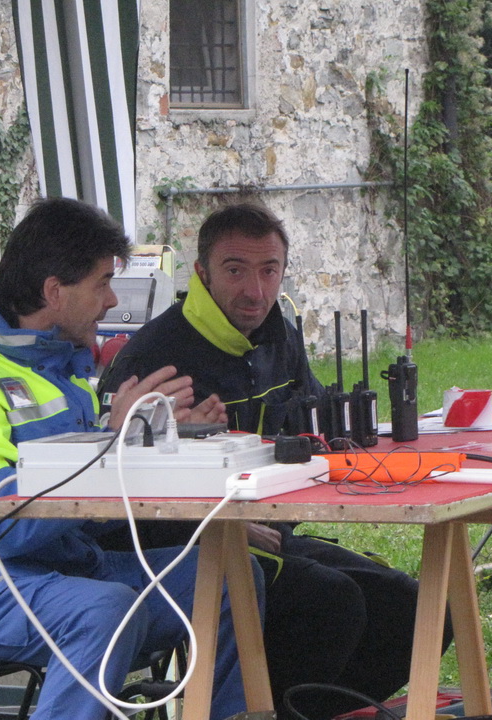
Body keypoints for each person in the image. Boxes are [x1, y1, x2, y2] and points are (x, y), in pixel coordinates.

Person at [0, 197, 265, 720]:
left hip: (71, 570)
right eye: (102, 282)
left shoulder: (60, 369)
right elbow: (1, 520)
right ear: (55, 292)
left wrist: (162, 442)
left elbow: (97, 505)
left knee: (229, 575)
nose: (112, 300)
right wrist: (113, 445)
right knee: (102, 610)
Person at [99, 201, 451, 719]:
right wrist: (202, 489)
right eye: (235, 271)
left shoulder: (280, 335)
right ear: (201, 273)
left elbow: (315, 431)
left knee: (418, 609)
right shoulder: (154, 358)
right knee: (331, 603)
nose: (255, 290)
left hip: (273, 532)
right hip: (184, 548)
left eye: (269, 271)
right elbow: (114, 496)